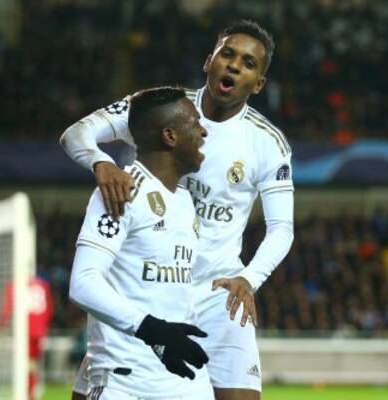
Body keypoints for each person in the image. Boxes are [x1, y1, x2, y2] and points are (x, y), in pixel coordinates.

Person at [61, 20, 294, 400]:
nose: (235, 66)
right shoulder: (164, 108)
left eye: (248, 63)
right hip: (144, 289)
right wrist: (100, 162)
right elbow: (77, 133)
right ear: (209, 60)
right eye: (228, 54)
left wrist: (249, 278)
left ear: (258, 84)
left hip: (218, 293)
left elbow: (282, 227)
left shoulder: (267, 142)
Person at [68, 86, 213, 399]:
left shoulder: (185, 201)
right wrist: (152, 330)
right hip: (127, 383)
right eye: (195, 124)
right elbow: (83, 283)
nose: (203, 131)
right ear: (170, 136)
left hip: (186, 378)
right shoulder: (122, 191)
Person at [0, 276, 54, 400]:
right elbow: (50, 309)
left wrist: (2, 324)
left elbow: (6, 308)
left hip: (24, 331)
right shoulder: (42, 284)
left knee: (24, 365)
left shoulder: (14, 285)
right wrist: (43, 326)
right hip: (39, 330)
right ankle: (31, 392)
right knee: (31, 364)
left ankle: (28, 394)